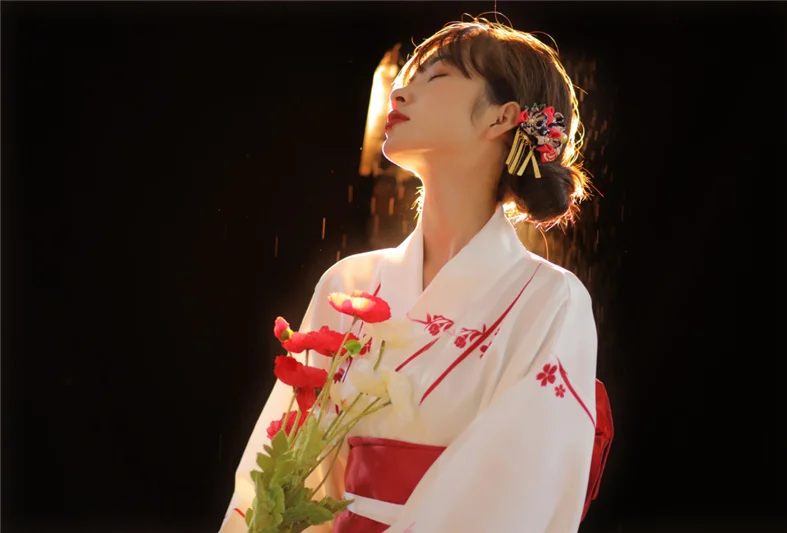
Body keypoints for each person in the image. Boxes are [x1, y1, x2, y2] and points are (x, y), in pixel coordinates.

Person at [219, 19, 613, 533]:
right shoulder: (349, 285)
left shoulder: (550, 299)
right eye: (407, 78)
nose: (400, 92)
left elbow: (515, 488)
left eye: (438, 76)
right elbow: (283, 473)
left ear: (501, 117)